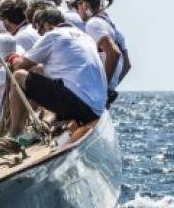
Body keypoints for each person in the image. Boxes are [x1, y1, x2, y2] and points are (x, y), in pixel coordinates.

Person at [6, 8, 107, 141]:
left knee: (19, 76)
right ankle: (46, 123)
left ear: (47, 24)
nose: (39, 34)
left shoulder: (53, 35)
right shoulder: (85, 36)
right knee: (40, 70)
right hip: (98, 107)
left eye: (39, 28)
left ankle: (14, 134)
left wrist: (11, 57)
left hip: (80, 106)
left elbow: (19, 65)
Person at [73, 0, 130, 106]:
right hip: (107, 92)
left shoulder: (93, 24)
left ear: (85, 5)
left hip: (96, 93)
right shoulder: (112, 26)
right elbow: (127, 65)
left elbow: (114, 52)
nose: (77, 10)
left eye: (77, 5)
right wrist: (111, 87)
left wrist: (102, 89)